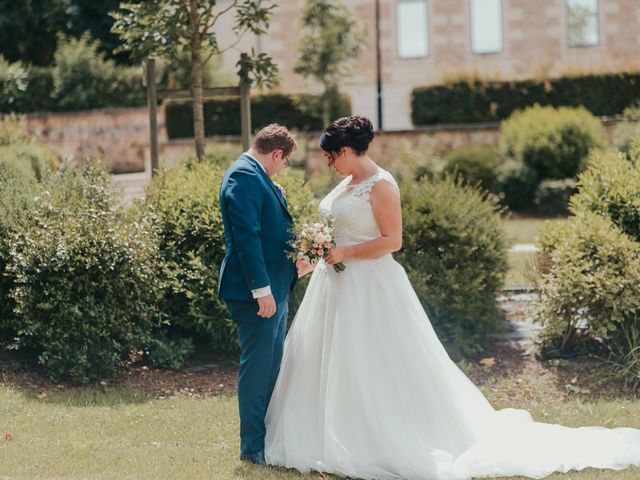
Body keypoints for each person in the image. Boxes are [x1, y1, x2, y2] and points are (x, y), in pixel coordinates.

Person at [264, 115, 640, 479]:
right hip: (333, 286)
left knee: (373, 361)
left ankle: (376, 437)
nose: (328, 164)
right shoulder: (345, 185)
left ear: (347, 151)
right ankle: (325, 433)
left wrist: (344, 253)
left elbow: (392, 241)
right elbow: (336, 229)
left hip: (370, 287)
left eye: (331, 156)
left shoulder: (380, 186)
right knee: (328, 359)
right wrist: (314, 255)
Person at [218, 124, 298, 465]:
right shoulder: (244, 175)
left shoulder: (259, 177)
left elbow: (267, 229)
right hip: (256, 293)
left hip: (275, 288)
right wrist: (261, 291)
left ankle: (267, 440)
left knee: (271, 367)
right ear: (277, 153)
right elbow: (246, 236)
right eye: (284, 161)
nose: (282, 167)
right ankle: (252, 448)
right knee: (258, 368)